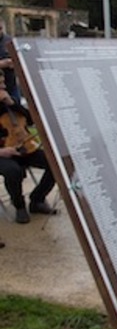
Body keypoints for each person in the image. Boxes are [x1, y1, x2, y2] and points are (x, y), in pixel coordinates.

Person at [0, 69, 58, 223]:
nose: (3, 88)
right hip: (2, 154)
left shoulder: (9, 102)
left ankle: (37, 199)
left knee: (55, 163)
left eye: (3, 84)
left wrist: (13, 104)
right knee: (13, 171)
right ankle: (19, 206)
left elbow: (31, 120)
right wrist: (2, 151)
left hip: (23, 147)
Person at [0, 19, 19, 102]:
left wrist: (15, 63)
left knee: (17, 109)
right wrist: (2, 64)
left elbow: (19, 59)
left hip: (11, 85)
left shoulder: (10, 41)